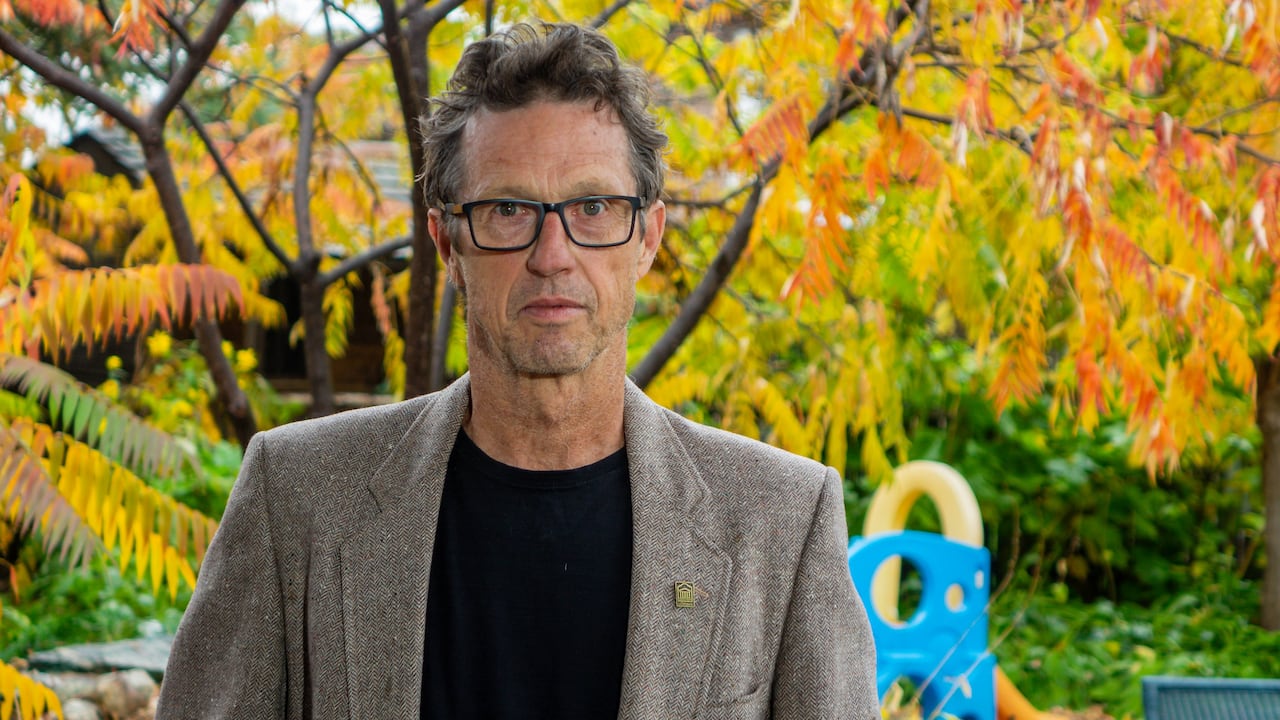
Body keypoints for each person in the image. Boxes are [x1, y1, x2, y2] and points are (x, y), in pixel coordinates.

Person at [156, 21, 878, 720]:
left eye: (594, 206)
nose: (552, 253)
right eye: (508, 209)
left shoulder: (781, 518)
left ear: (648, 236)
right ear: (447, 242)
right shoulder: (299, 497)